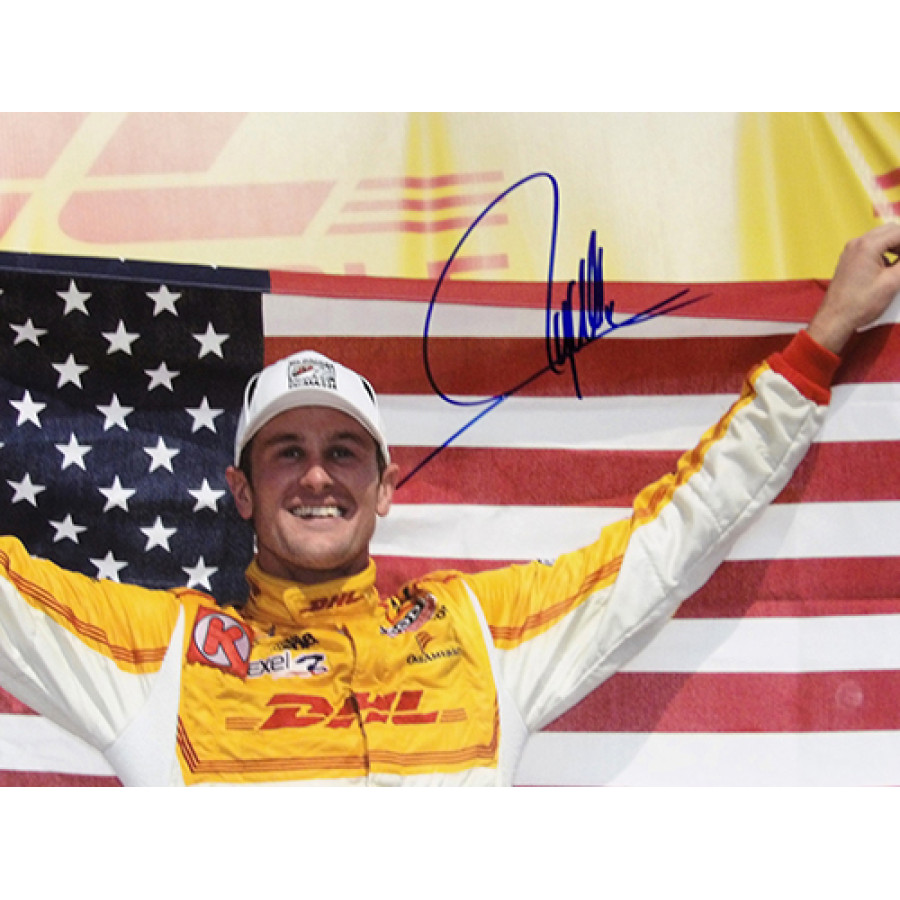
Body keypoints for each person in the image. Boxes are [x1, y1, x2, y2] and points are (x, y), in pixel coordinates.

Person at [1, 225, 899, 786]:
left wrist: (823, 339)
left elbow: (671, 538)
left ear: (386, 487)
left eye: (343, 452)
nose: (316, 478)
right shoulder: (161, 655)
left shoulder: (476, 632)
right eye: (287, 452)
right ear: (241, 489)